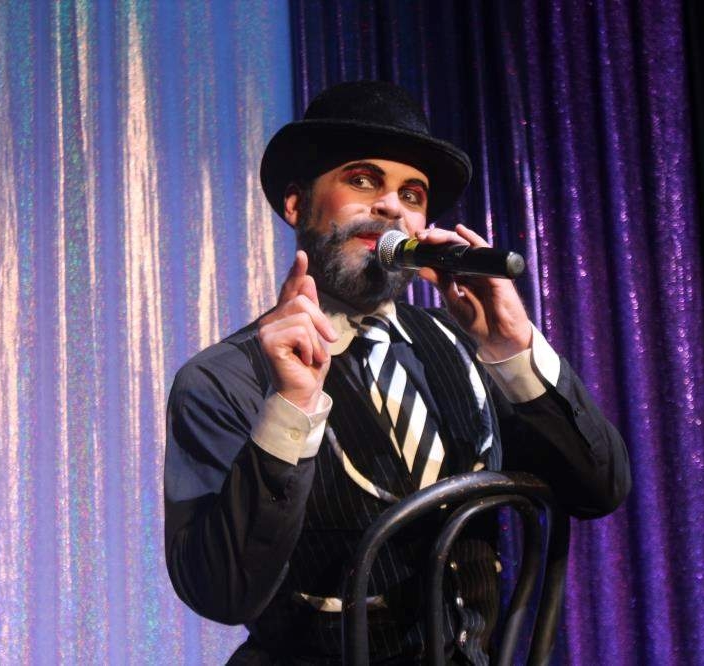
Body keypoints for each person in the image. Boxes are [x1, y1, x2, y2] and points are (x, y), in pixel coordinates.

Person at [164, 80, 631, 665]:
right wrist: (292, 408)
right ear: (297, 205)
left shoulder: (465, 348)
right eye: (363, 181)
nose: (391, 207)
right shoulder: (221, 379)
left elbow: (598, 488)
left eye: (412, 195)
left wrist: (514, 348)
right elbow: (221, 591)